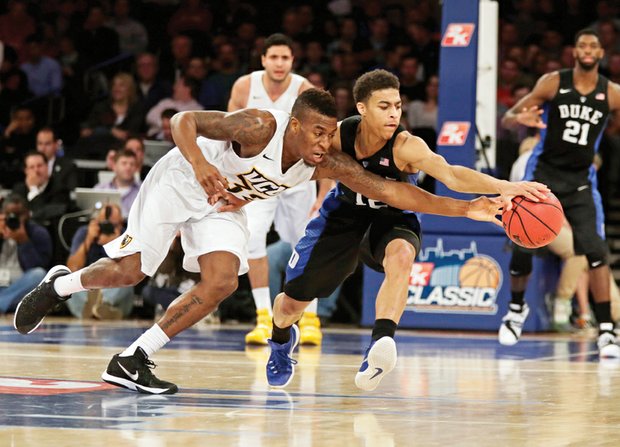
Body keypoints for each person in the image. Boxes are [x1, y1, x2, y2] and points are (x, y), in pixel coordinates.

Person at [14, 89, 540, 395]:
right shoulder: (260, 125)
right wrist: (200, 167)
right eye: (315, 133)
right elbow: (183, 121)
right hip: (182, 181)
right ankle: (64, 283)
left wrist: (469, 207)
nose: (322, 143)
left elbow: (395, 192)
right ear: (294, 125)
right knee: (131, 271)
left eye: (328, 134)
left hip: (221, 206)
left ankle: (131, 359)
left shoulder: (326, 162)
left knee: (222, 282)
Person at [263, 70, 549, 391]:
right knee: (289, 306)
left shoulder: (406, 145)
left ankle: (380, 344)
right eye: (384, 106)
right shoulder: (339, 135)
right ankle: (280, 341)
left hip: (394, 217)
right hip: (343, 215)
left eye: (397, 106)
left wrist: (505, 186)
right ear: (362, 108)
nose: (393, 113)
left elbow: (452, 175)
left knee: (401, 256)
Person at [499, 29, 620, 358]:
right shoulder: (553, 82)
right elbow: (508, 117)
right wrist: (518, 118)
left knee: (595, 251)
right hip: (543, 175)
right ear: (574, 51)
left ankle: (607, 329)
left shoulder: (611, 93)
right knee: (522, 242)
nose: (588, 49)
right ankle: (515, 311)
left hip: (581, 181)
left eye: (594, 45)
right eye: (582, 44)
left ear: (601, 52)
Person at [228, 33, 328, 346]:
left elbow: (323, 144)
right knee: (252, 239)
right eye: (274, 57)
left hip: (296, 177)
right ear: (263, 60)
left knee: (305, 243)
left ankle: (310, 317)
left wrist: (324, 193)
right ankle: (263, 318)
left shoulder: (304, 90)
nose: (279, 63)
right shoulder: (245, 87)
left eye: (285, 58)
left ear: (292, 61)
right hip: (258, 177)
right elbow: (227, 135)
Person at [65, 203, 132, 320]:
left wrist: (115, 245)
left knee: (128, 279)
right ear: (96, 221)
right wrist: (88, 239)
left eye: (112, 225)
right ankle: (97, 309)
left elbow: (131, 268)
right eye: (103, 223)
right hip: (87, 287)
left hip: (112, 287)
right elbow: (72, 267)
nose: (106, 228)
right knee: (68, 282)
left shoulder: (126, 235)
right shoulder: (85, 232)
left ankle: (102, 305)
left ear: (121, 224)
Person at [0, 194, 51, 314]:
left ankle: (3, 303)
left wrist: (23, 241)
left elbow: (38, 267)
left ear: (27, 214)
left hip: (20, 286)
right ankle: (7, 304)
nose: (13, 218)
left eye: (18, 215)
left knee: (39, 275)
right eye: (9, 214)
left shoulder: (38, 233)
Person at [94, 149, 141, 218]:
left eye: (132, 164)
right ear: (114, 166)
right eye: (124, 163)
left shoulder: (143, 190)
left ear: (136, 168)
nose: (128, 167)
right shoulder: (100, 189)